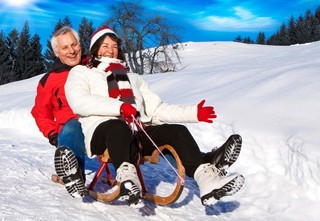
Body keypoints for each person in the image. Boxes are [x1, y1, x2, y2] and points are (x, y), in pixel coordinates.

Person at [65, 25, 245, 206]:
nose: (110, 50)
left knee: (177, 132)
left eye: (114, 46)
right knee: (117, 126)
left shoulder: (133, 78)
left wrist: (193, 112)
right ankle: (127, 180)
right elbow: (80, 101)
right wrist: (119, 108)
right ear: (95, 48)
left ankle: (208, 182)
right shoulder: (82, 72)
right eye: (105, 45)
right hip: (102, 132)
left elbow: (157, 109)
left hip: (137, 132)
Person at [31, 26, 87, 197]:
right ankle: (74, 176)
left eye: (74, 45)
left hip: (98, 121)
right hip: (71, 127)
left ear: (80, 45)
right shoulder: (49, 80)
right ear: (57, 53)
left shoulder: (93, 68)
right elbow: (41, 112)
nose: (71, 51)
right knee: (72, 127)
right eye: (65, 48)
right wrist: (52, 134)